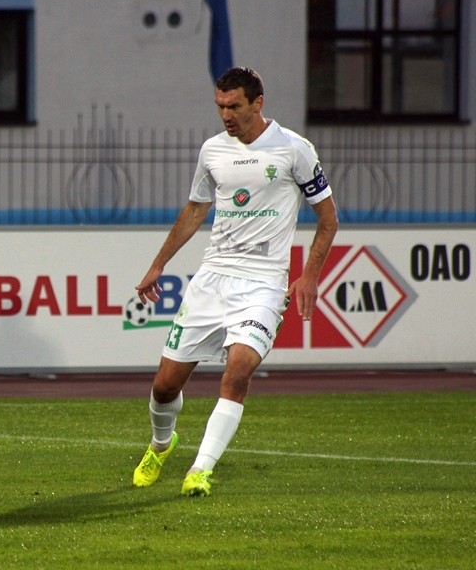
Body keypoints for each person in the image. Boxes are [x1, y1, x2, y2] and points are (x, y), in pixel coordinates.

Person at [131, 67, 338, 497]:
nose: (226, 115)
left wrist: (309, 276)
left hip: (263, 284)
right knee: (165, 386)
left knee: (238, 370)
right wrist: (158, 264)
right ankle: (161, 445)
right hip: (212, 280)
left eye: (234, 106)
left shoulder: (294, 149)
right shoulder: (212, 151)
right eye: (220, 106)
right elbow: (195, 210)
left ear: (258, 103)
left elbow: (328, 219)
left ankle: (200, 470)